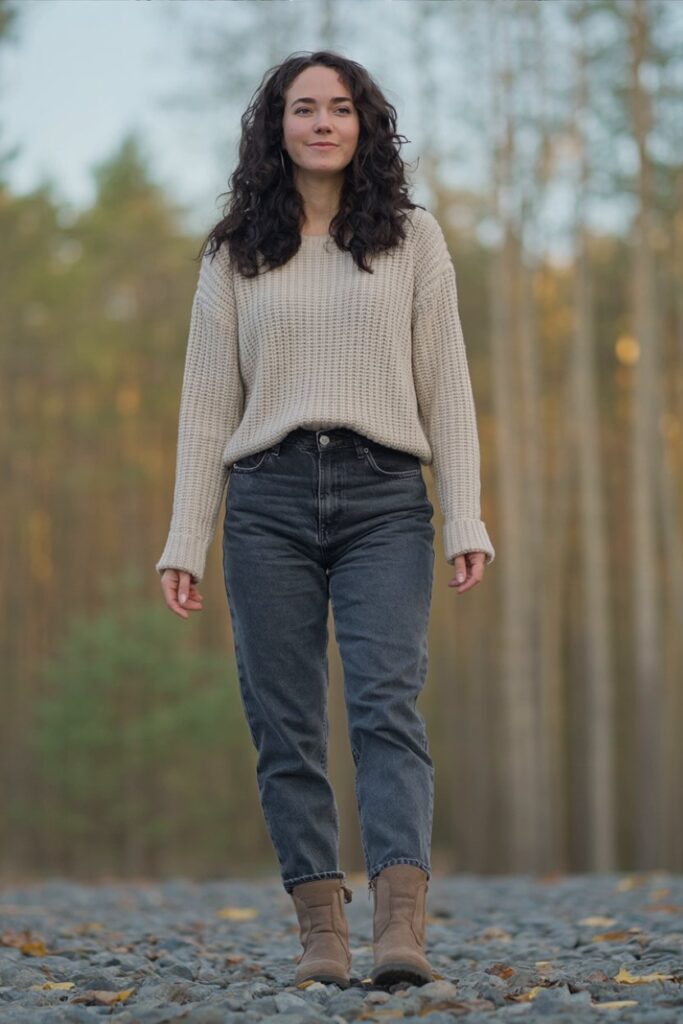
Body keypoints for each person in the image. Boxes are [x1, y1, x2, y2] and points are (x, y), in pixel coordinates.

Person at [156, 50, 495, 990]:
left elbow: (447, 386)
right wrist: (186, 536)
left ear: (363, 125)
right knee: (285, 723)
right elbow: (206, 405)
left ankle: (399, 929)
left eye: (339, 108)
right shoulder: (235, 252)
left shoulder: (412, 238)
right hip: (266, 501)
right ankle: (321, 936)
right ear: (275, 127)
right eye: (302, 108)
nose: (321, 123)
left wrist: (464, 515)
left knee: (386, 706)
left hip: (383, 495)